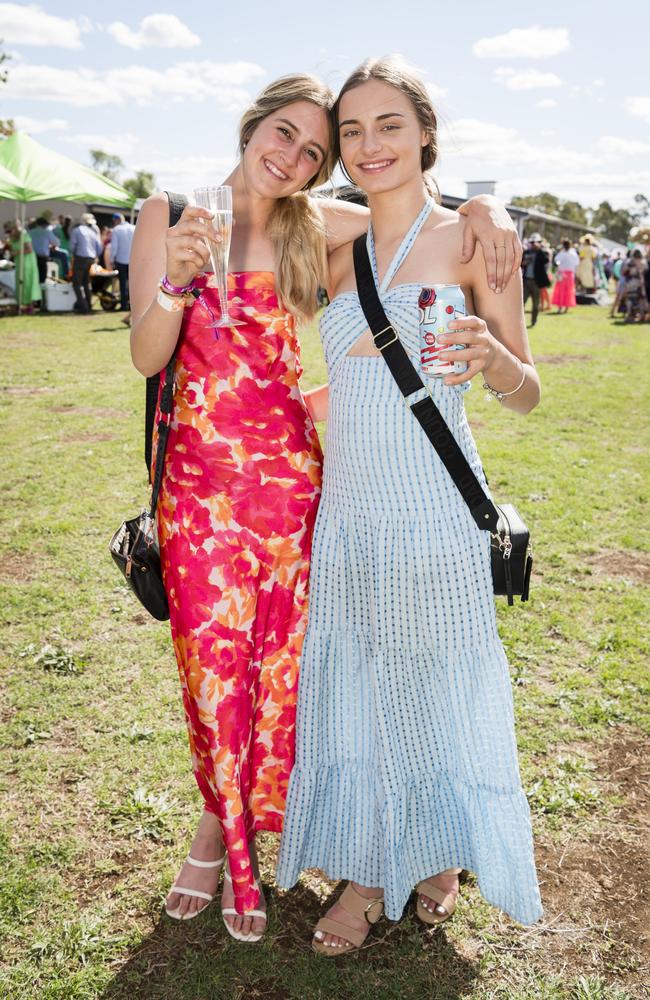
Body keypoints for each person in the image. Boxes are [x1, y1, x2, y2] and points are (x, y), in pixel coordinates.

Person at [129, 72, 523, 944]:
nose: (299, 157)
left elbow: (411, 207)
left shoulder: (315, 223)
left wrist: (490, 215)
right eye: (293, 135)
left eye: (316, 148)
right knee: (256, 682)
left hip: (328, 491)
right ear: (251, 125)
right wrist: (175, 285)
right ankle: (240, 839)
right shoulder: (189, 217)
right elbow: (146, 356)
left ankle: (414, 849)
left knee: (340, 683)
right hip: (242, 495)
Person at [275, 57, 543, 955]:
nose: (369, 145)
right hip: (350, 515)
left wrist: (495, 362)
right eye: (352, 131)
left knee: (427, 683)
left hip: (433, 511)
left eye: (388, 124)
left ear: (426, 131)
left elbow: (528, 390)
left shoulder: (474, 242)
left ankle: (400, 866)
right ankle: (393, 857)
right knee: (359, 689)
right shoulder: (331, 234)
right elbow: (243, 204)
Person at [6, 220, 42, 311]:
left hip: (28, 263)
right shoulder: (11, 238)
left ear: (15, 229)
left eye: (9, 231)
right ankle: (21, 304)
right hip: (19, 263)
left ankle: (30, 306)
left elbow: (29, 250)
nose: (8, 233)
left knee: (28, 283)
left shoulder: (24, 236)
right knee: (19, 282)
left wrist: (17, 252)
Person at [69, 213, 102, 313]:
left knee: (76, 283)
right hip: (91, 258)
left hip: (80, 258)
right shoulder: (93, 232)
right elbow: (99, 248)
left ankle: (83, 306)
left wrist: (73, 255)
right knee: (86, 282)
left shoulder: (77, 230)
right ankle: (88, 304)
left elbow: (72, 247)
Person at [107, 212, 135, 310]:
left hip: (121, 260)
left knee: (123, 284)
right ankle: (132, 305)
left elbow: (114, 247)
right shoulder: (133, 228)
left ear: (117, 220)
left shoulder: (116, 230)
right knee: (132, 284)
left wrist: (111, 259)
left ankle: (124, 305)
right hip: (133, 260)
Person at [521, 233, 549, 327]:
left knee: (535, 304)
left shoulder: (542, 252)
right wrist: (524, 263)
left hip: (536, 282)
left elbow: (546, 260)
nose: (533, 244)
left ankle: (534, 321)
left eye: (535, 242)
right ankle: (520, 323)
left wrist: (539, 248)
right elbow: (520, 263)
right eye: (532, 242)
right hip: (526, 281)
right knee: (522, 303)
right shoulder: (527, 252)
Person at [551, 238, 579, 314]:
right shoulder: (573, 253)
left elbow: (557, 261)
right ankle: (566, 308)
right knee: (568, 290)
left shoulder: (562, 253)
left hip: (562, 273)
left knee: (561, 290)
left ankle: (560, 308)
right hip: (569, 274)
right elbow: (576, 263)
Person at [29, 216, 60, 284]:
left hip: (31, 257)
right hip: (42, 257)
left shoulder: (30, 232)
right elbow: (57, 243)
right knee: (42, 279)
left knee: (33, 278)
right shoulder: (47, 232)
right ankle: (40, 293)